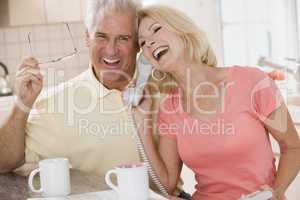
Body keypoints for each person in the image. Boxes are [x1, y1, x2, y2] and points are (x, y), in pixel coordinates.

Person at [135, 5, 300, 200]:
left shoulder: (253, 82)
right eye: (142, 43)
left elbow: (292, 146)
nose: (150, 43)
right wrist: (140, 122)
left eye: (155, 29)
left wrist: (278, 190)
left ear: (183, 31)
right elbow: (167, 184)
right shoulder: (169, 108)